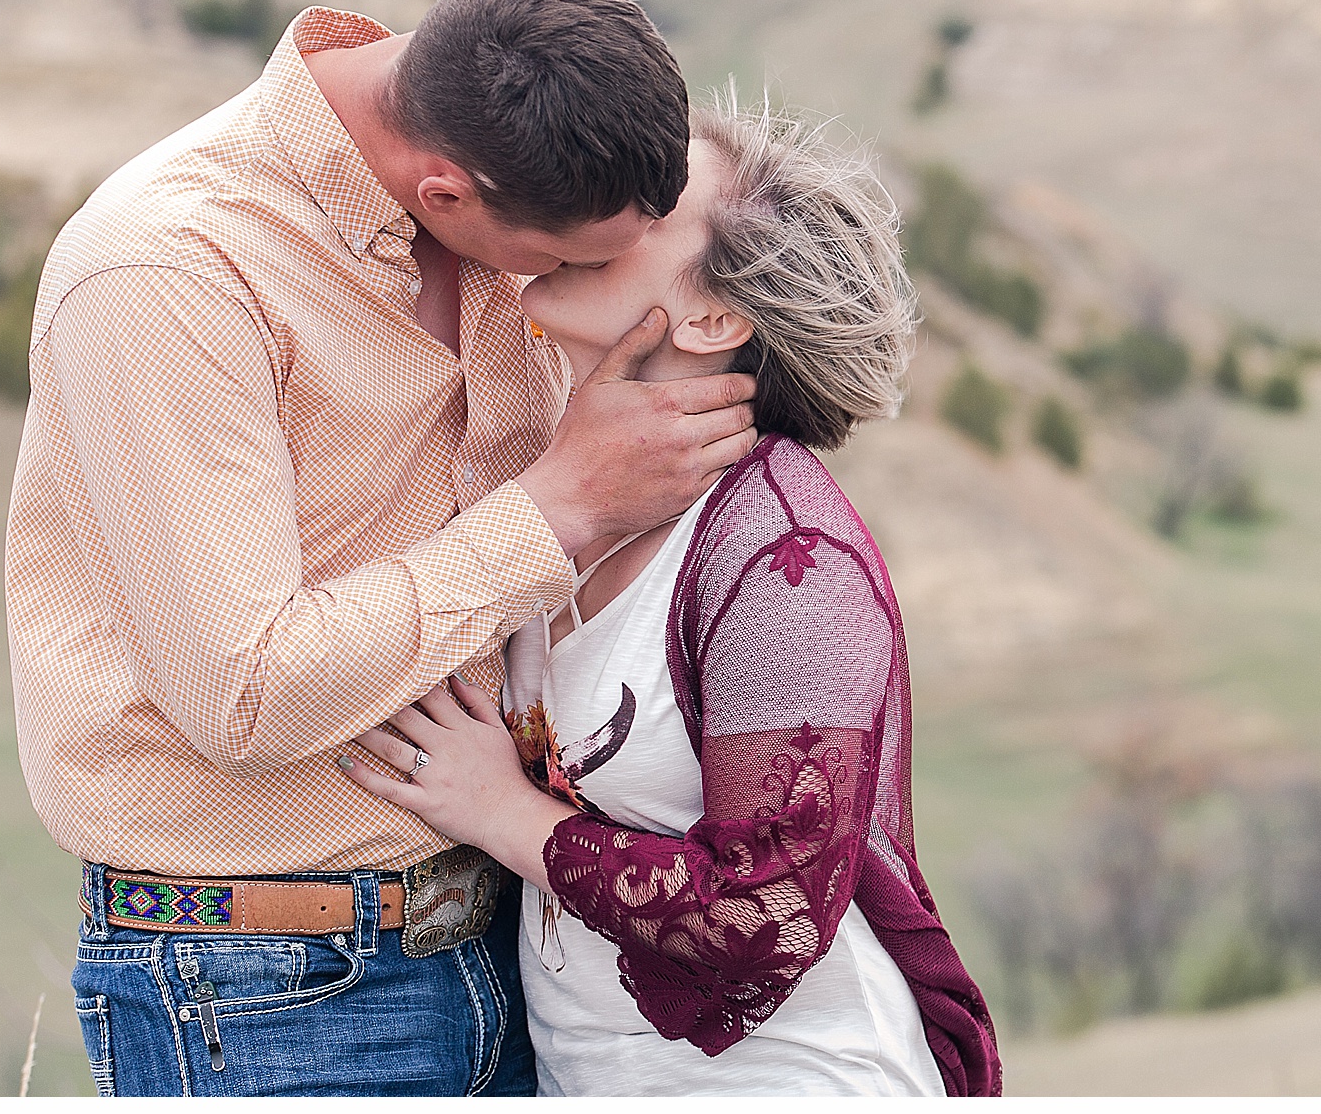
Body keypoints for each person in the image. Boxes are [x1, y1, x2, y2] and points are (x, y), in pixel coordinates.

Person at [5, 0, 759, 1098]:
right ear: (445, 189)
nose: (576, 288)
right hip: (266, 981)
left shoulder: (503, 164)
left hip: (525, 936)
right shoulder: (167, 270)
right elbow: (241, 692)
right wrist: (563, 504)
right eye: (563, 260)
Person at [340, 102, 1001, 1097]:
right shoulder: (556, 486)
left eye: (653, 201)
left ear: (712, 317)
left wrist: (498, 811)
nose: (605, 199)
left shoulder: (788, 555)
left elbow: (768, 916)